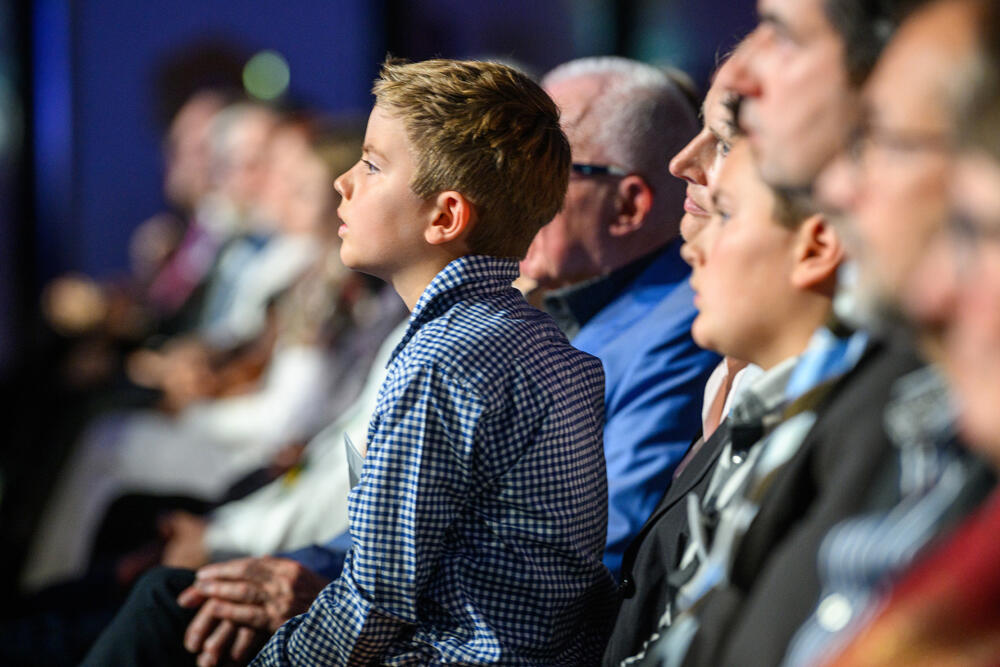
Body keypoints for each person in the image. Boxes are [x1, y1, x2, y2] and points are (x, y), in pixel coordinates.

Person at [88, 57, 616, 667]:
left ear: (445, 217)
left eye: (371, 164)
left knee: (163, 608)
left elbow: (375, 602)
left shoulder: (440, 361)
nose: (343, 182)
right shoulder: (541, 338)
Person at [519, 56, 720, 578]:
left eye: (538, 170)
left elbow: (595, 554)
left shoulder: (686, 329)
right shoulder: (553, 304)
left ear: (628, 206)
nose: (508, 194)